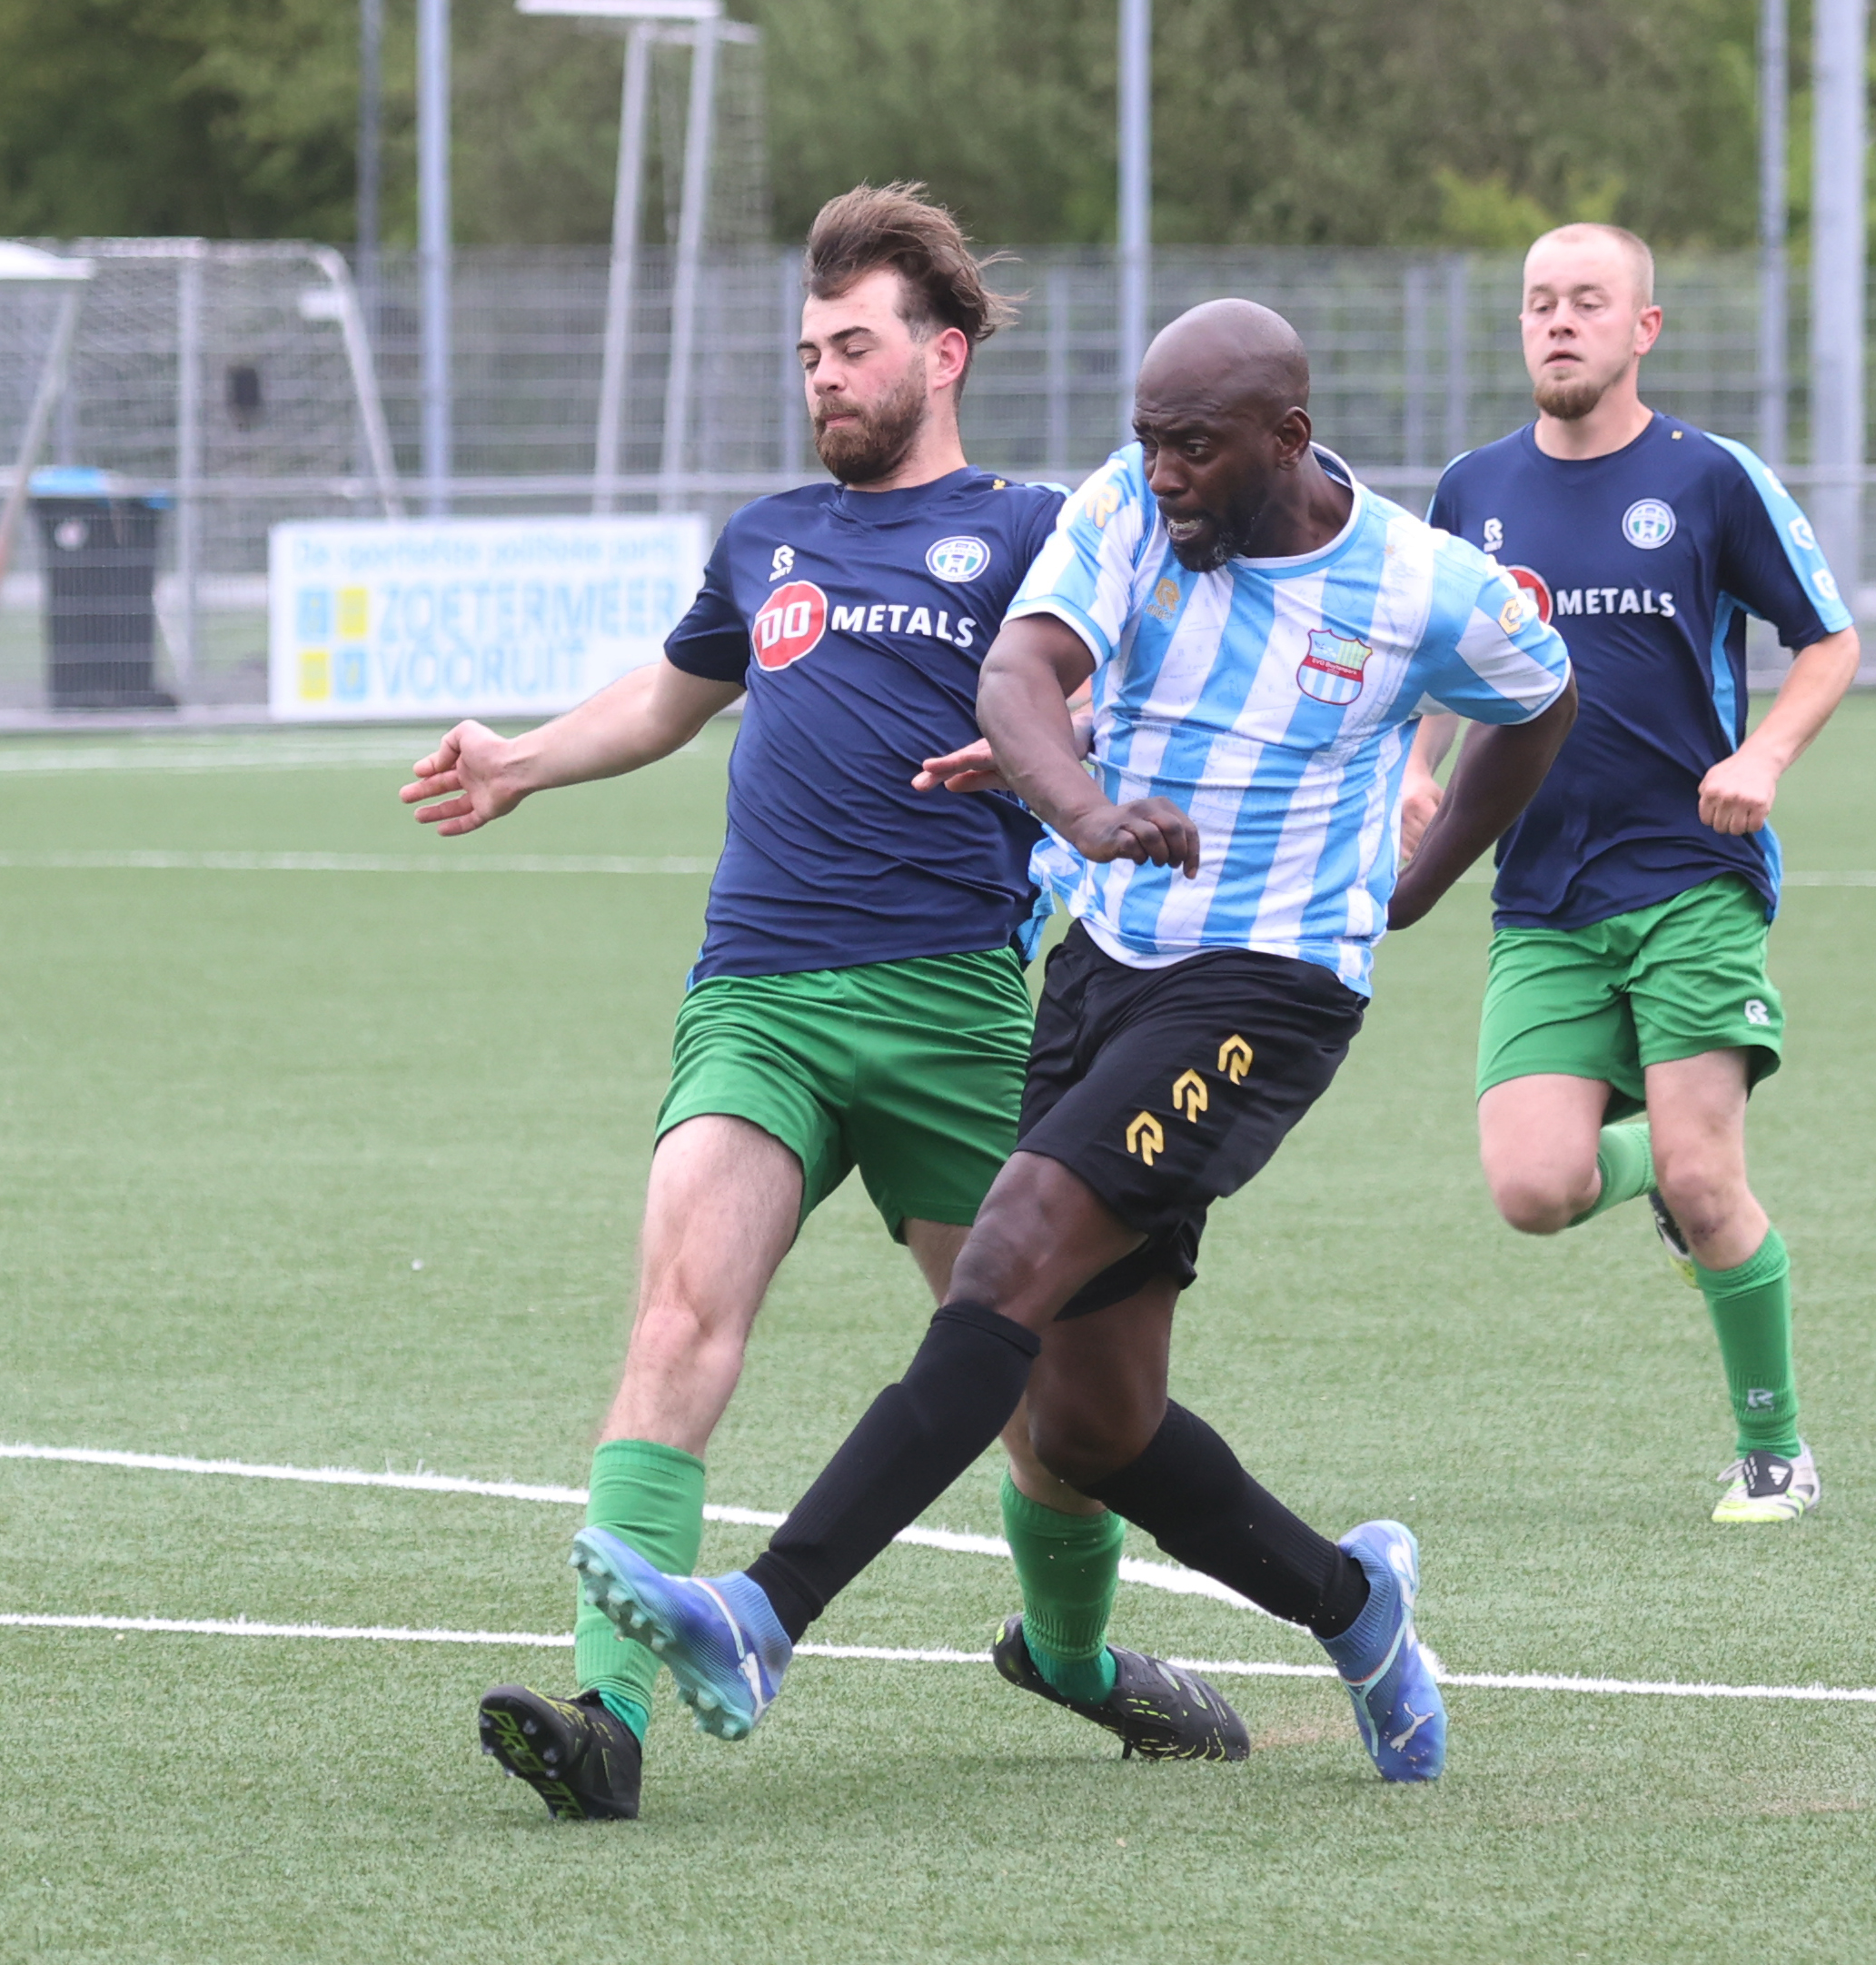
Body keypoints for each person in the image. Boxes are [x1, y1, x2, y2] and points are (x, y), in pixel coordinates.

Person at [566, 299, 1580, 1787]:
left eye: (1193, 448)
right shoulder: (1124, 505)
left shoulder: (1427, 587)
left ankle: (762, 1610)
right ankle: (1359, 1610)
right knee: (1093, 1421)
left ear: (1288, 442)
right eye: (1148, 440)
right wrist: (1085, 807)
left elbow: (1540, 702)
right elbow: (1016, 679)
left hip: (1268, 986)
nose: (1160, 473)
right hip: (1104, 964)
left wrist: (1417, 885)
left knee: (1009, 1251)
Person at [410, 185, 1249, 1824]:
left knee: (1058, 1405)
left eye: (853, 348)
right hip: (761, 1000)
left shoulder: (1029, 533)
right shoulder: (767, 535)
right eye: (809, 353)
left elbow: (1146, 694)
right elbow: (671, 692)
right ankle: (608, 1716)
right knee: (676, 1320)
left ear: (940, 357)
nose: (824, 378)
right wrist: (523, 754)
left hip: (955, 1007)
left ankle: (1073, 1659)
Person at [1406, 224, 1860, 1525]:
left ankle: (1774, 1449)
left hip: (1689, 871)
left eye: (1587, 302)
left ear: (1641, 328)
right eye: (1539, 302)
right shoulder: (1471, 489)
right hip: (1538, 893)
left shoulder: (1709, 477)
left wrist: (1765, 753)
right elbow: (1426, 654)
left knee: (1709, 1173)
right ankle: (1653, 1163)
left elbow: (1827, 642)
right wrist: (1413, 768)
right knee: (1532, 1186)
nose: (1559, 321)